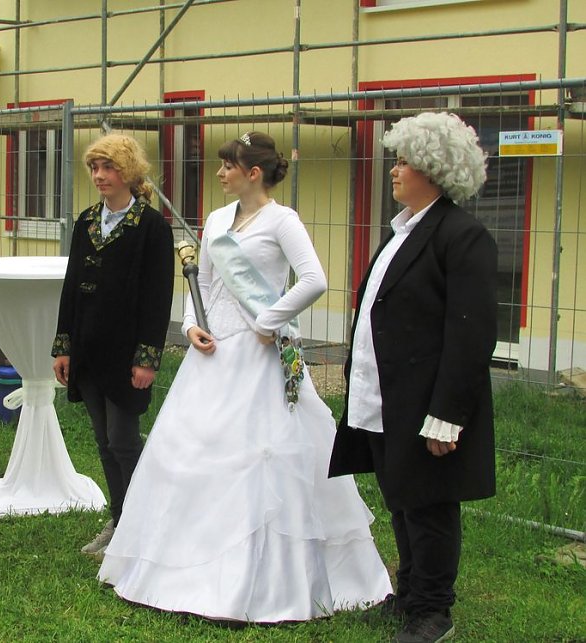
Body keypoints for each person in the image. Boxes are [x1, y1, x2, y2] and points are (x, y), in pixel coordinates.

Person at [98, 131, 392, 623]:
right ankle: (180, 570)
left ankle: (263, 582)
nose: (219, 174)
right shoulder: (216, 220)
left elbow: (315, 279)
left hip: (260, 355)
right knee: (191, 453)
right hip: (214, 356)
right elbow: (206, 284)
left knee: (260, 459)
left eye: (227, 166)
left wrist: (269, 319)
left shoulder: (283, 220)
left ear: (252, 173)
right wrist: (192, 325)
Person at [329, 112, 497, 643]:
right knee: (400, 498)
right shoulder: (402, 231)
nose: (394, 171)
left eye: (403, 162)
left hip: (427, 403)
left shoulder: (462, 236)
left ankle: (433, 611)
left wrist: (448, 414)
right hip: (385, 398)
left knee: (429, 507)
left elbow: (471, 334)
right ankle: (408, 595)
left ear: (434, 168)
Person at [51, 133, 175, 558]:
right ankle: (121, 517)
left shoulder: (152, 227)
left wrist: (147, 359)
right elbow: (71, 288)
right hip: (88, 349)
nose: (99, 176)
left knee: (124, 439)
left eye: (108, 168)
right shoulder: (86, 221)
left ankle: (144, 520)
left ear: (129, 172)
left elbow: (158, 299)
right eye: (94, 168)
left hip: (127, 356)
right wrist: (63, 345)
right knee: (103, 442)